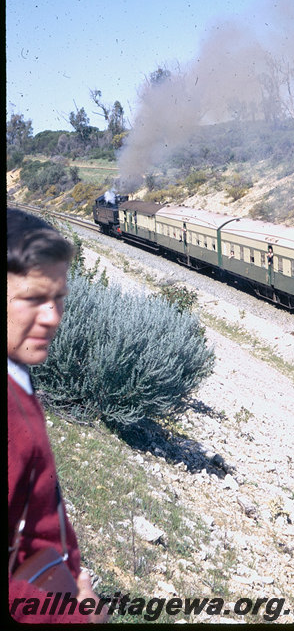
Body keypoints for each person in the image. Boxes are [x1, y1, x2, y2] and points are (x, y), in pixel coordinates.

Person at [8, 208, 106, 623]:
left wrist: (74, 575)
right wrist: (75, 618)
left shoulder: (17, 370)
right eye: (33, 299)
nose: (52, 318)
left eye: (58, 298)